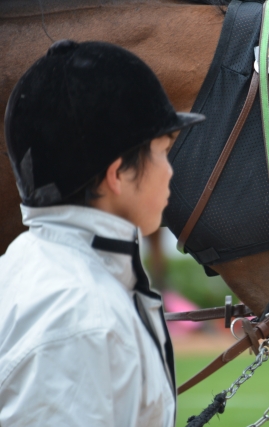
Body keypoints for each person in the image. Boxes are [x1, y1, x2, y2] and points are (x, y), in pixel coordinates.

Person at [0, 40, 205, 426]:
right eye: (162, 151)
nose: (170, 171)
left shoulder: (35, 268)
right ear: (118, 174)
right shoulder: (78, 318)